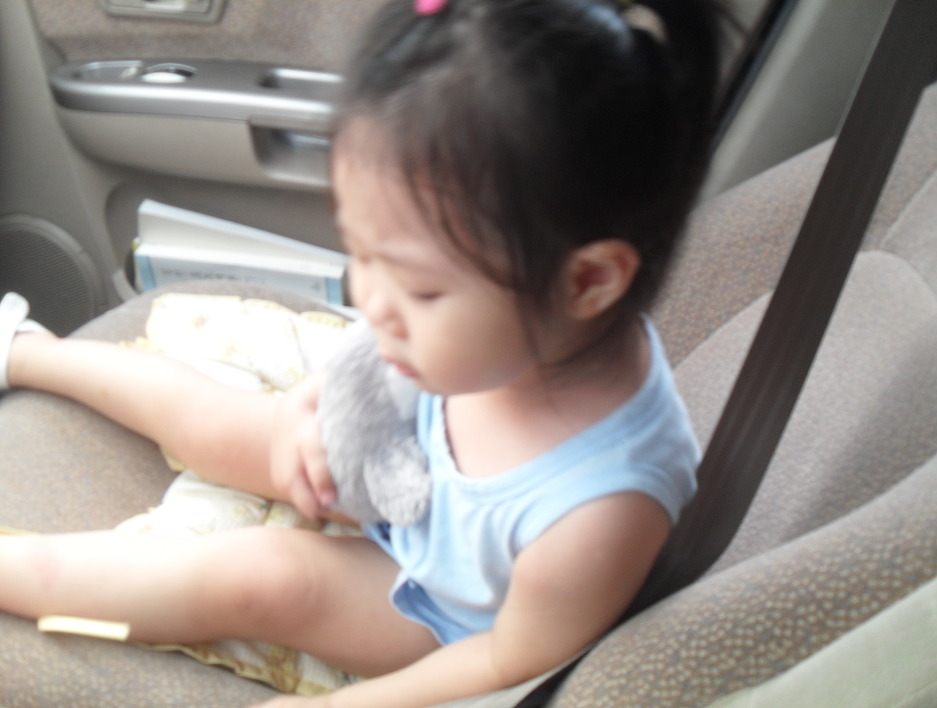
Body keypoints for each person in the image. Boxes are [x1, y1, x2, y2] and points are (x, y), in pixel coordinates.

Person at [0, 0, 719, 705]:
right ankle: (30, 352)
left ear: (587, 282)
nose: (369, 301)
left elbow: (510, 658)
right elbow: (367, 361)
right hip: (390, 464)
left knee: (266, 578)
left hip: (434, 607)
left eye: (419, 289)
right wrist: (311, 408)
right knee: (224, 421)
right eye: (362, 254)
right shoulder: (489, 334)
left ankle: (23, 572)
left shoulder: (602, 511)